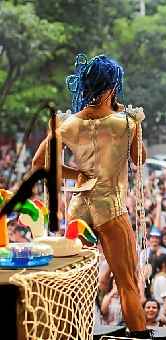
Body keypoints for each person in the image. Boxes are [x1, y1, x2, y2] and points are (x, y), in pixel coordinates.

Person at [32, 54, 149, 338]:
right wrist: (134, 127)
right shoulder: (126, 122)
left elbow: (39, 163)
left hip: (78, 208)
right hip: (110, 206)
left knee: (73, 282)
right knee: (127, 282)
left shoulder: (69, 124)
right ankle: (140, 334)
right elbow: (139, 159)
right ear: (111, 87)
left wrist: (77, 175)